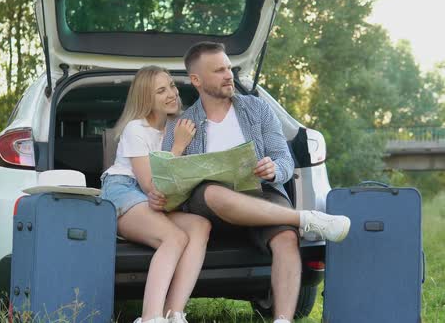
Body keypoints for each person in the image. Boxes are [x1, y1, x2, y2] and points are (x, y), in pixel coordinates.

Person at [154, 42, 351, 323]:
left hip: (262, 193)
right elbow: (170, 179)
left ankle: (283, 319)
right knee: (212, 191)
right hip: (209, 205)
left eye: (229, 68)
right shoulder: (181, 124)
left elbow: (284, 158)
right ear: (196, 80)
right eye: (219, 70)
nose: (228, 75)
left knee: (285, 238)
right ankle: (305, 218)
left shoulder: (257, 109)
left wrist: (273, 170)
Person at [101, 66, 211, 323]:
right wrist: (179, 147)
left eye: (171, 85)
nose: (172, 93)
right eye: (161, 90)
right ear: (146, 98)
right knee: (173, 238)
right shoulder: (135, 129)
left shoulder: (180, 126)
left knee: (200, 226)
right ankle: (150, 318)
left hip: (159, 200)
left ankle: (174, 314)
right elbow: (152, 184)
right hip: (124, 191)